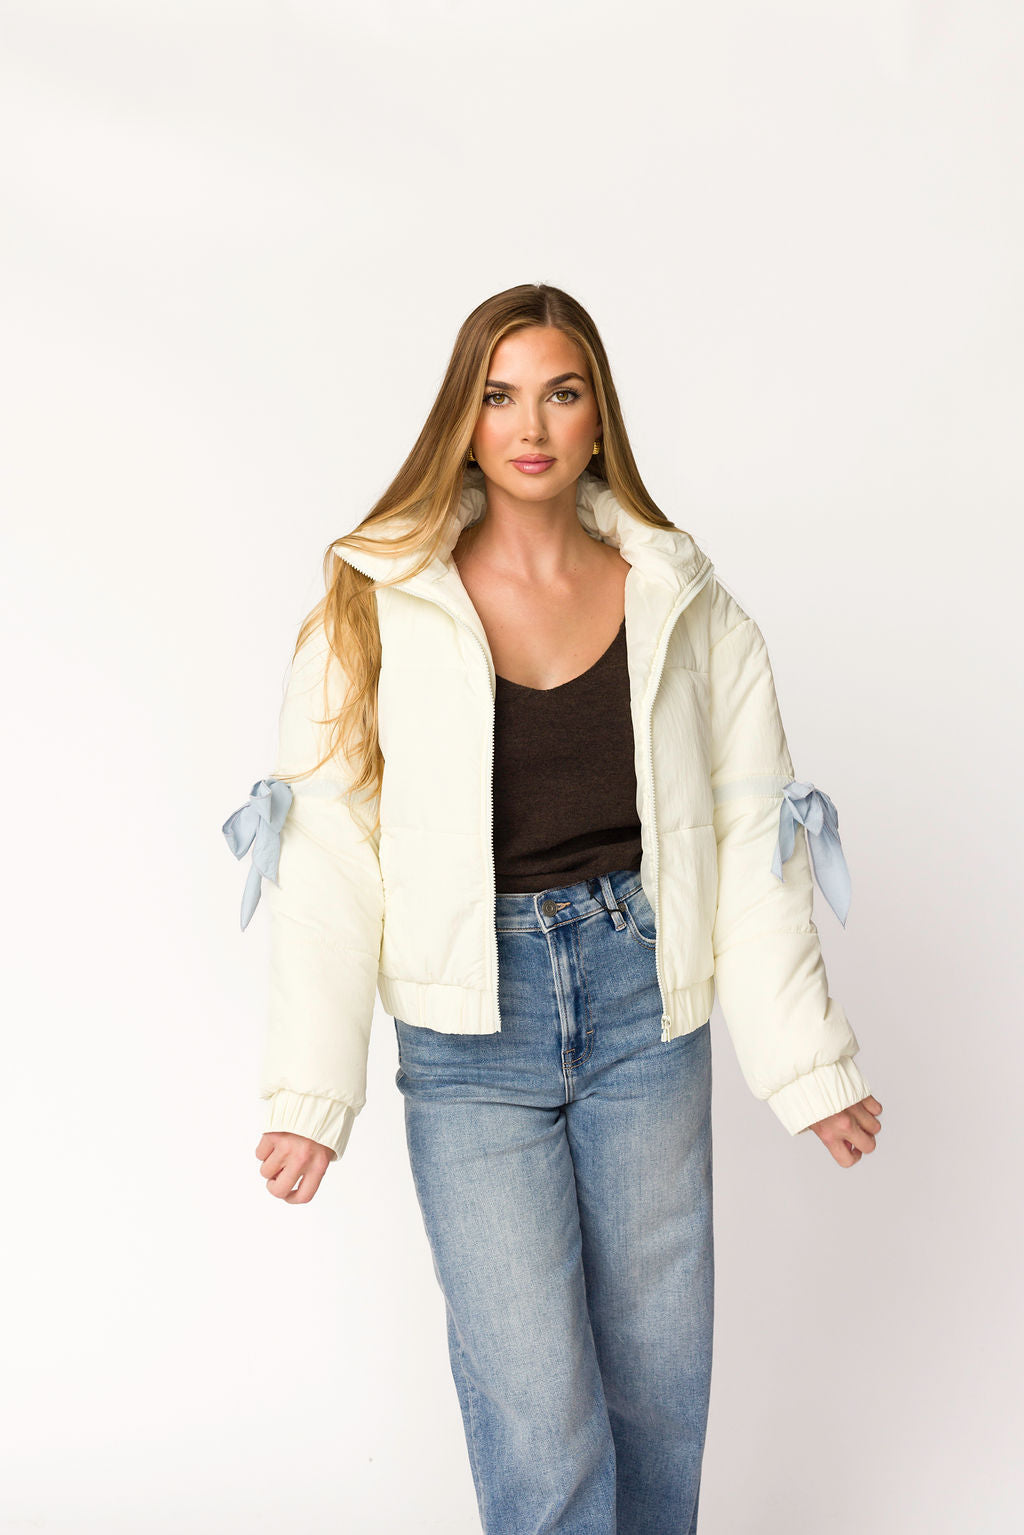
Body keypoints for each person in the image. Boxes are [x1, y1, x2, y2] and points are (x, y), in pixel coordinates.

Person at [222, 282, 883, 1534]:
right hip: (469, 1032)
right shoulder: (374, 602)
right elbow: (326, 861)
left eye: (560, 393)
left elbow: (754, 840)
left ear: (597, 417)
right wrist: (310, 1092)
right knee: (538, 1409)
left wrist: (809, 1064)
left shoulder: (684, 600)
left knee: (656, 1391)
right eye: (500, 395)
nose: (530, 425)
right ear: (462, 419)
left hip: (646, 1003)